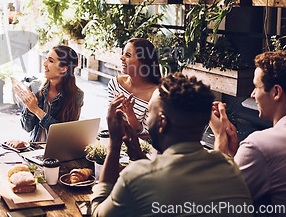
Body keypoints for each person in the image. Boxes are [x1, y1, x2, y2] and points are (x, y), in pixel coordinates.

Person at [91, 73, 252, 216]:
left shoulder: (135, 177)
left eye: (149, 112)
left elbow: (98, 212)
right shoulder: (230, 168)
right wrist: (139, 155)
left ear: (161, 122)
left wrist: (114, 146)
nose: (147, 119)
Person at [210, 51, 286, 207]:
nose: (252, 94)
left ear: (276, 92)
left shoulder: (258, 146)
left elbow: (217, 205)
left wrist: (220, 138)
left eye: (256, 87)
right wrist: (236, 152)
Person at [15, 45, 84, 142]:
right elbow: (27, 128)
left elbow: (64, 134)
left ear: (63, 69)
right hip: (34, 150)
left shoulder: (76, 95)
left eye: (50, 61)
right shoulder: (34, 87)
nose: (44, 64)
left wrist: (36, 110)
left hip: (58, 151)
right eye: (46, 59)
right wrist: (29, 109)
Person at [107, 38, 161, 138]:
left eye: (128, 55)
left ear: (143, 62)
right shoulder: (115, 84)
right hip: (116, 142)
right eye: (123, 54)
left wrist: (130, 113)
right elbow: (112, 124)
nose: (121, 58)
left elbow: (147, 135)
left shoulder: (157, 94)